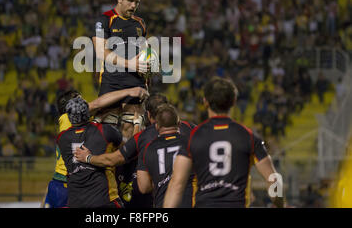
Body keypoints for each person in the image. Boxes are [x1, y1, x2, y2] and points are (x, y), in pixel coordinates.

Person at [163, 77, 285, 208]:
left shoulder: (194, 137)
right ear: (234, 101)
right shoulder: (248, 136)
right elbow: (273, 178)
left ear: (205, 102)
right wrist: (279, 204)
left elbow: (177, 183)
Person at [74, 93, 196, 208]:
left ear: (148, 115)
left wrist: (88, 157)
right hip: (194, 199)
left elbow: (113, 159)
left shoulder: (144, 139)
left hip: (160, 200)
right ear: (176, 118)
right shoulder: (190, 129)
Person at [42, 86, 148, 208]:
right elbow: (97, 105)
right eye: (81, 100)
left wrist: (98, 119)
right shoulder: (101, 131)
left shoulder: (62, 137)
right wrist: (129, 92)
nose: (86, 102)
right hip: (91, 190)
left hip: (66, 183)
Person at [92, 0, 149, 126]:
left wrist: (149, 67)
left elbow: (144, 52)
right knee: (106, 129)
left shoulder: (140, 23)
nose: (133, 6)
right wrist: (129, 63)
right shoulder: (105, 20)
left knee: (133, 128)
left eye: (137, 2)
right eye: (130, 1)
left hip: (136, 82)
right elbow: (100, 51)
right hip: (112, 82)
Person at [56, 96, 124, 208]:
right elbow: (122, 147)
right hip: (103, 198)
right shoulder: (104, 130)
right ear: (87, 113)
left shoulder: (61, 138)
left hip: (76, 201)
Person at [137, 103, 195, 208]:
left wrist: (159, 180)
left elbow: (144, 187)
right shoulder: (192, 143)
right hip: (190, 203)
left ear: (157, 126)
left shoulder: (147, 149)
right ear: (179, 123)